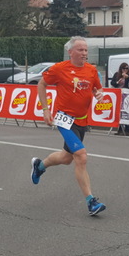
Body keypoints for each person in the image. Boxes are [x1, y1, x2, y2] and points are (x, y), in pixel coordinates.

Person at [30, 36, 107, 216]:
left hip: (82, 119)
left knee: (66, 158)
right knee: (81, 156)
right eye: (80, 50)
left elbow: (97, 89)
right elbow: (42, 84)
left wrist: (99, 94)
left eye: (86, 50)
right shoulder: (60, 69)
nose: (84, 53)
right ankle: (91, 201)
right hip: (64, 119)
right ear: (70, 52)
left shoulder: (91, 70)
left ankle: (40, 166)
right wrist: (45, 109)